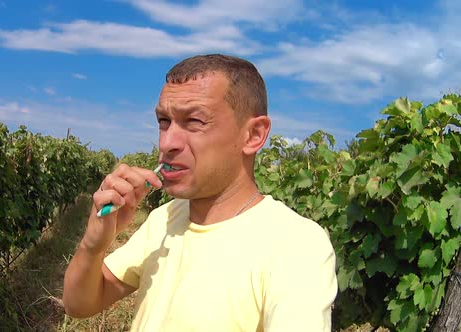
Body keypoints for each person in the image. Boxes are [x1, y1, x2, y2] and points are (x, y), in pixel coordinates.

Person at [63, 54, 337, 331]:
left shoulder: (296, 245)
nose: (167, 142)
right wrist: (93, 245)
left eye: (194, 121)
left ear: (253, 135)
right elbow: (79, 305)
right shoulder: (164, 219)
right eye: (163, 121)